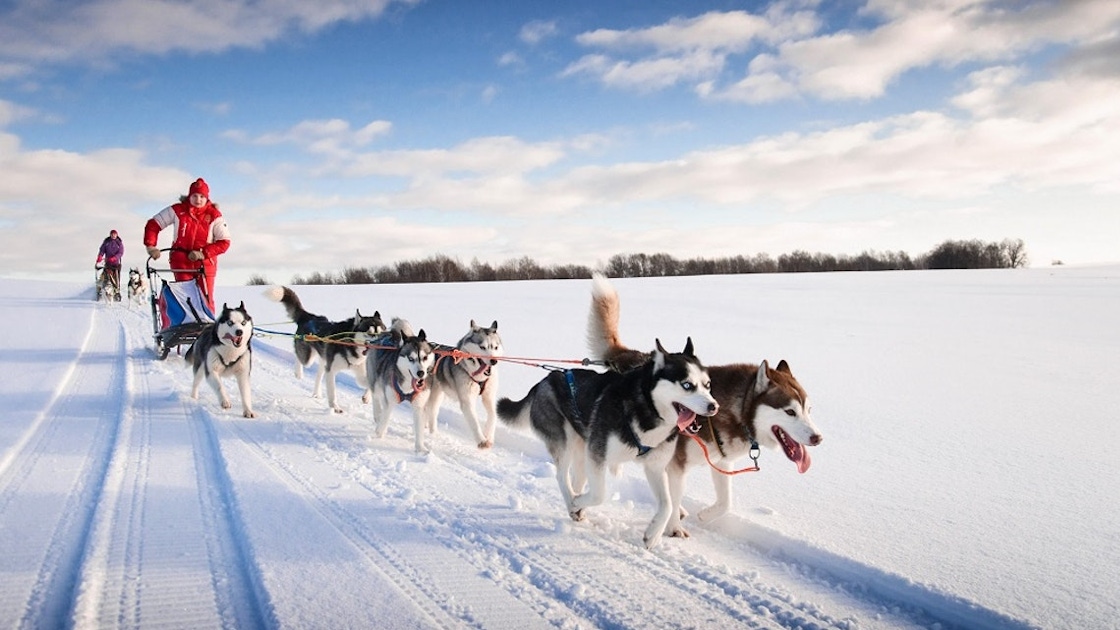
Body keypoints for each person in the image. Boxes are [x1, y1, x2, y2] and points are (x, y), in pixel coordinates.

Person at [143, 178, 230, 313]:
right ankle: (186, 329)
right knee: (186, 299)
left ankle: (208, 329)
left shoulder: (214, 216)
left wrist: (203, 253)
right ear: (189, 196)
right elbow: (153, 225)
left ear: (207, 198)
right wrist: (151, 246)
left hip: (205, 264)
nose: (198, 199)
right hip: (181, 263)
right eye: (195, 196)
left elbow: (224, 242)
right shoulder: (178, 210)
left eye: (202, 196)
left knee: (206, 300)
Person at [95, 229, 124, 301]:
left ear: (117, 235)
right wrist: (100, 256)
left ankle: (117, 291)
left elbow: (121, 252)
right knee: (106, 276)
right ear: (110, 235)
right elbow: (102, 250)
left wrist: (114, 258)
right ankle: (102, 290)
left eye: (115, 234)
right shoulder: (106, 242)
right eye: (112, 234)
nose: (113, 235)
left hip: (116, 264)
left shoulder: (119, 243)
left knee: (116, 278)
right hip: (108, 263)